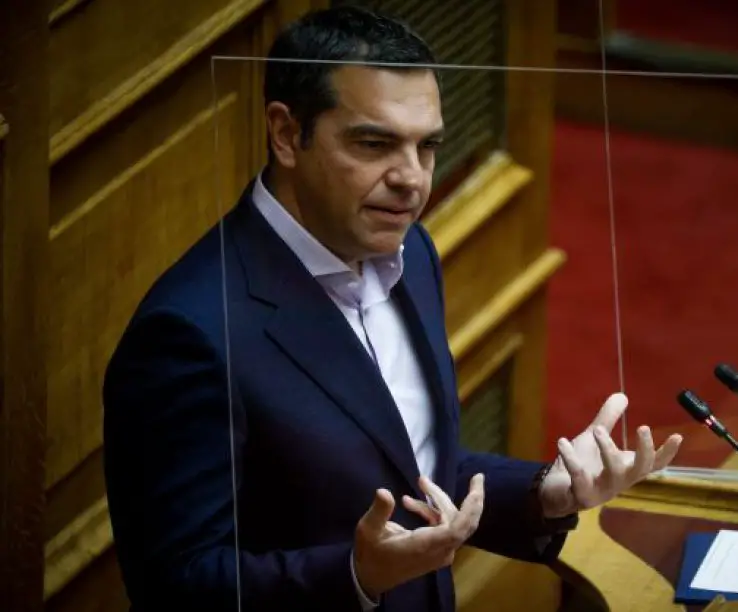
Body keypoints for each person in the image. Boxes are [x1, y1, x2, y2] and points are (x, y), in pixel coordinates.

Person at [101, 6, 682, 612]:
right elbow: (176, 587)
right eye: (375, 144)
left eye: (426, 146)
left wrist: (544, 493)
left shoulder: (411, 250)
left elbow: (411, 466)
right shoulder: (188, 335)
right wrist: (354, 575)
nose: (412, 179)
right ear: (285, 134)